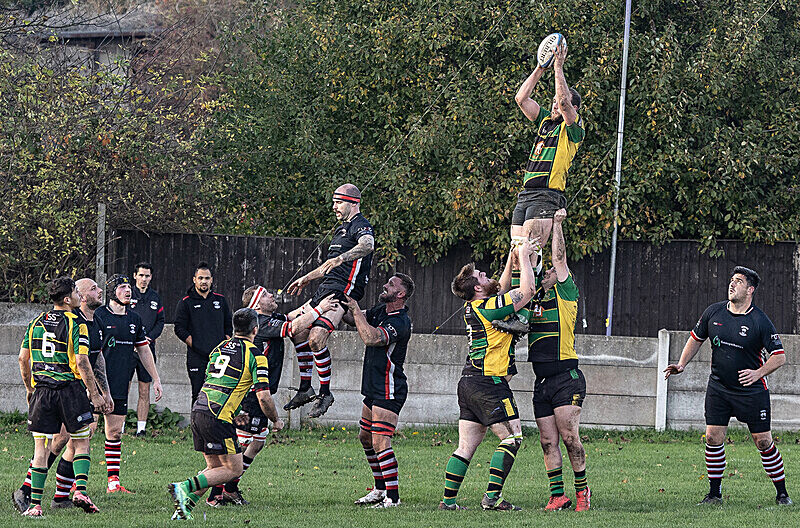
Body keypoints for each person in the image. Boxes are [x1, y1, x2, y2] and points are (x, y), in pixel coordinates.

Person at [665, 266, 792, 506]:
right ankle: (714, 494)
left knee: (763, 441)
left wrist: (758, 373)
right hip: (719, 389)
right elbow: (695, 338)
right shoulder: (714, 312)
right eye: (731, 280)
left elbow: (779, 356)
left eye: (739, 282)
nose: (732, 285)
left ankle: (782, 494)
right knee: (713, 437)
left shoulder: (759, 321)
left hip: (752, 392)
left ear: (750, 289)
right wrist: (681, 364)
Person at [206, 286, 338, 506]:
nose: (272, 295)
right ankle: (216, 493)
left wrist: (318, 299)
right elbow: (293, 327)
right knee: (241, 444)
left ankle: (229, 488)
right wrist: (321, 309)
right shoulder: (260, 323)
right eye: (266, 294)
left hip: (258, 393)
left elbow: (293, 315)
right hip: (251, 395)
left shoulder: (270, 318)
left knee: (256, 442)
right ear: (257, 304)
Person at [439, 241, 537, 511]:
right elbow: (526, 291)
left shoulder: (477, 306)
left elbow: (501, 289)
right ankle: (491, 499)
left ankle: (448, 502)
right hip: (489, 383)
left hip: (468, 382)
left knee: (466, 447)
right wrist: (526, 259)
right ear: (478, 288)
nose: (487, 275)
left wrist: (511, 259)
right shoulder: (487, 307)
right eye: (482, 275)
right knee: (512, 438)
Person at [168, 308, 285, 520]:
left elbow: (215, 381)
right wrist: (276, 419)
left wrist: (236, 410)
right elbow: (264, 396)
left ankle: (182, 511)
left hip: (200, 409)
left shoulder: (220, 348)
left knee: (214, 469)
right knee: (233, 469)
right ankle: (183, 487)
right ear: (255, 329)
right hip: (217, 416)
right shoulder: (255, 355)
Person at [12, 278, 114, 513]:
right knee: (81, 441)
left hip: (42, 392)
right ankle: (79, 490)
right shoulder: (77, 324)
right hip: (69, 390)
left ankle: (36, 505)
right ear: (68, 299)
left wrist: (29, 388)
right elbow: (82, 361)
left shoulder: (35, 322)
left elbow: (22, 359)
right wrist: (96, 395)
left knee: (42, 448)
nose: (81, 295)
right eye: (77, 292)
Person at [285, 184, 375, 418]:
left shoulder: (360, 225)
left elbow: (368, 245)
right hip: (325, 288)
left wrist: (342, 258)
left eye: (339, 202)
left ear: (353, 203)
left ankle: (325, 393)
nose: (334, 207)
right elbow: (328, 266)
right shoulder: (340, 231)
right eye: (334, 202)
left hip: (342, 292)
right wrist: (306, 277)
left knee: (316, 338)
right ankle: (306, 388)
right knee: (296, 331)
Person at [521, 209, 590, 511]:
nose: (549, 271)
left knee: (570, 437)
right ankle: (557, 495)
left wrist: (558, 225)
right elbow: (526, 271)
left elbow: (559, 260)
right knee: (548, 442)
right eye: (545, 271)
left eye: (552, 271)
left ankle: (582, 493)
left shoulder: (566, 292)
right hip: (542, 381)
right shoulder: (533, 297)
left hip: (566, 377)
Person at [342, 273, 414, 508]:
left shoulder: (401, 321)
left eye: (391, 284)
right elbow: (354, 320)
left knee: (381, 442)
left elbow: (371, 338)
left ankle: (393, 498)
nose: (385, 285)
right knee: (365, 438)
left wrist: (355, 309)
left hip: (389, 388)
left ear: (401, 294)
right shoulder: (381, 310)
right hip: (373, 387)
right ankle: (380, 489)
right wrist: (335, 303)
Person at [511, 41, 584, 251]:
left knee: (531, 254)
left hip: (547, 194)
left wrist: (558, 67)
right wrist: (540, 68)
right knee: (516, 254)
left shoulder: (574, 128)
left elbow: (563, 102)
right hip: (525, 194)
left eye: (559, 102)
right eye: (552, 101)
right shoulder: (545, 119)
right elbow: (521, 98)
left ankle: (533, 285)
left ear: (574, 108)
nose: (554, 104)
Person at [95, 274, 163, 493]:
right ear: (112, 291)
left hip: (119, 384)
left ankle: (113, 483)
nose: (127, 290)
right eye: (122, 287)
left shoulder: (134, 318)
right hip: (94, 384)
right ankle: (77, 481)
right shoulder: (99, 316)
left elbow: (143, 349)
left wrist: (156, 379)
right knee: (85, 432)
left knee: (114, 432)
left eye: (128, 287)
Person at [174, 262, 233, 405]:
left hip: (219, 357)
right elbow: (179, 328)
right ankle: (197, 427)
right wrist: (195, 344)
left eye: (206, 278)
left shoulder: (220, 300)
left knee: (219, 393)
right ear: (194, 279)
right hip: (197, 357)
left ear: (211, 280)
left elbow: (228, 326)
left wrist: (225, 343)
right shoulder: (185, 302)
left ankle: (215, 426)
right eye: (200, 278)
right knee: (198, 394)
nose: (203, 281)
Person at [130, 262, 165, 437]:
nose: (144, 279)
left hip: (147, 350)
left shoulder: (155, 297)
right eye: (141, 275)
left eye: (147, 276)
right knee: (124, 387)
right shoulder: (127, 294)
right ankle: (118, 427)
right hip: (128, 350)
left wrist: (148, 338)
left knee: (144, 390)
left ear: (151, 277)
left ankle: (141, 429)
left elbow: (160, 322)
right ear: (135, 275)